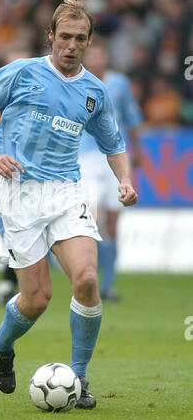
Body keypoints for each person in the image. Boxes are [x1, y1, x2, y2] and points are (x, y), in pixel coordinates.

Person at [0, 0, 138, 409]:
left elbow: (114, 143)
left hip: (66, 191)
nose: (71, 46)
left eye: (80, 39)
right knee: (37, 299)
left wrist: (125, 180)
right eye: (64, 37)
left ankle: (78, 378)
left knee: (87, 281)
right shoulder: (21, 72)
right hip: (17, 192)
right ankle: (1, 343)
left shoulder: (96, 91)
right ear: (51, 37)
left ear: (90, 41)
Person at [78, 38, 144, 301]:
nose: (95, 60)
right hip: (87, 158)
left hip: (116, 156)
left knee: (114, 224)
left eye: (99, 55)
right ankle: (89, 280)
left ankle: (108, 285)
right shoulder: (77, 82)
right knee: (92, 220)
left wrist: (136, 150)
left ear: (105, 58)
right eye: (91, 56)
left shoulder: (119, 83)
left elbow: (131, 117)